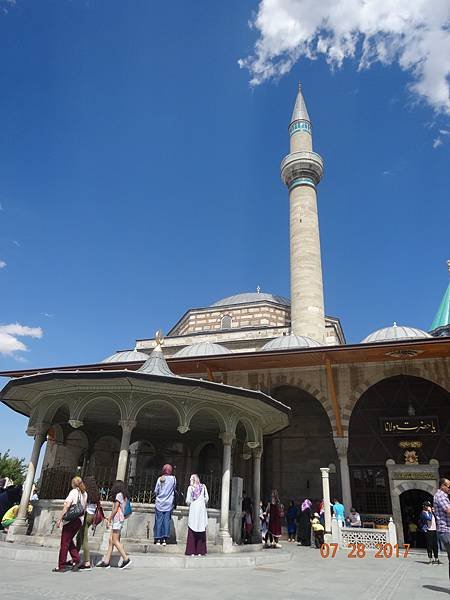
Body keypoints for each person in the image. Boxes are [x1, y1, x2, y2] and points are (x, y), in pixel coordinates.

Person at [53, 476, 87, 573]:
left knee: (64, 543)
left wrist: (59, 518)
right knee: (69, 540)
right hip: (79, 520)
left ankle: (61, 565)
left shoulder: (73, 492)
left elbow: (67, 505)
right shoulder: (84, 494)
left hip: (70, 520)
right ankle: (76, 560)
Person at [96, 480, 132, 570]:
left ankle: (126, 558)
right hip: (119, 519)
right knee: (111, 540)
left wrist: (109, 518)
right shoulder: (124, 496)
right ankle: (106, 561)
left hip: (117, 519)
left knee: (115, 540)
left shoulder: (119, 495)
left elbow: (116, 508)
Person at [76, 476, 101, 570]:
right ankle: (75, 557)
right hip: (92, 516)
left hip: (86, 515)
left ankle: (87, 561)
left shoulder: (85, 493)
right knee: (79, 536)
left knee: (84, 538)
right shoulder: (95, 493)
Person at [185, 474, 209, 556]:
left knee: (192, 528)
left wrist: (192, 502)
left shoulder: (190, 488)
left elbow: (188, 500)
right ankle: (200, 551)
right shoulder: (203, 486)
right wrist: (202, 501)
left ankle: (191, 551)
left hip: (194, 510)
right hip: (202, 510)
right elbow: (207, 498)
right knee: (201, 528)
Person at [153, 464, 176, 546]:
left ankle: (158, 539)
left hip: (159, 503)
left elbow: (156, 491)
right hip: (168, 503)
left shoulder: (160, 479)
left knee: (159, 521)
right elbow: (174, 489)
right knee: (166, 521)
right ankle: (164, 540)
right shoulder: (173, 479)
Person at [434, 477, 450, 580]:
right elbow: (448, 511)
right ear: (442, 486)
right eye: (449, 486)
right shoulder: (440, 496)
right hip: (446, 531)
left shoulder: (444, 496)